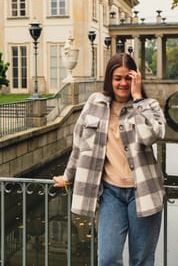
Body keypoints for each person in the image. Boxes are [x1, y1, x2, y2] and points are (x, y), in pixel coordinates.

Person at [53, 52, 166, 266]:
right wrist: (68, 176)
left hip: (143, 192)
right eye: (118, 78)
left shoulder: (149, 106)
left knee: (141, 260)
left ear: (136, 79)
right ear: (109, 79)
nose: (123, 83)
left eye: (128, 78)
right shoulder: (95, 103)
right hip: (110, 193)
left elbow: (151, 136)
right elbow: (79, 144)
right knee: (107, 258)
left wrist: (138, 98)